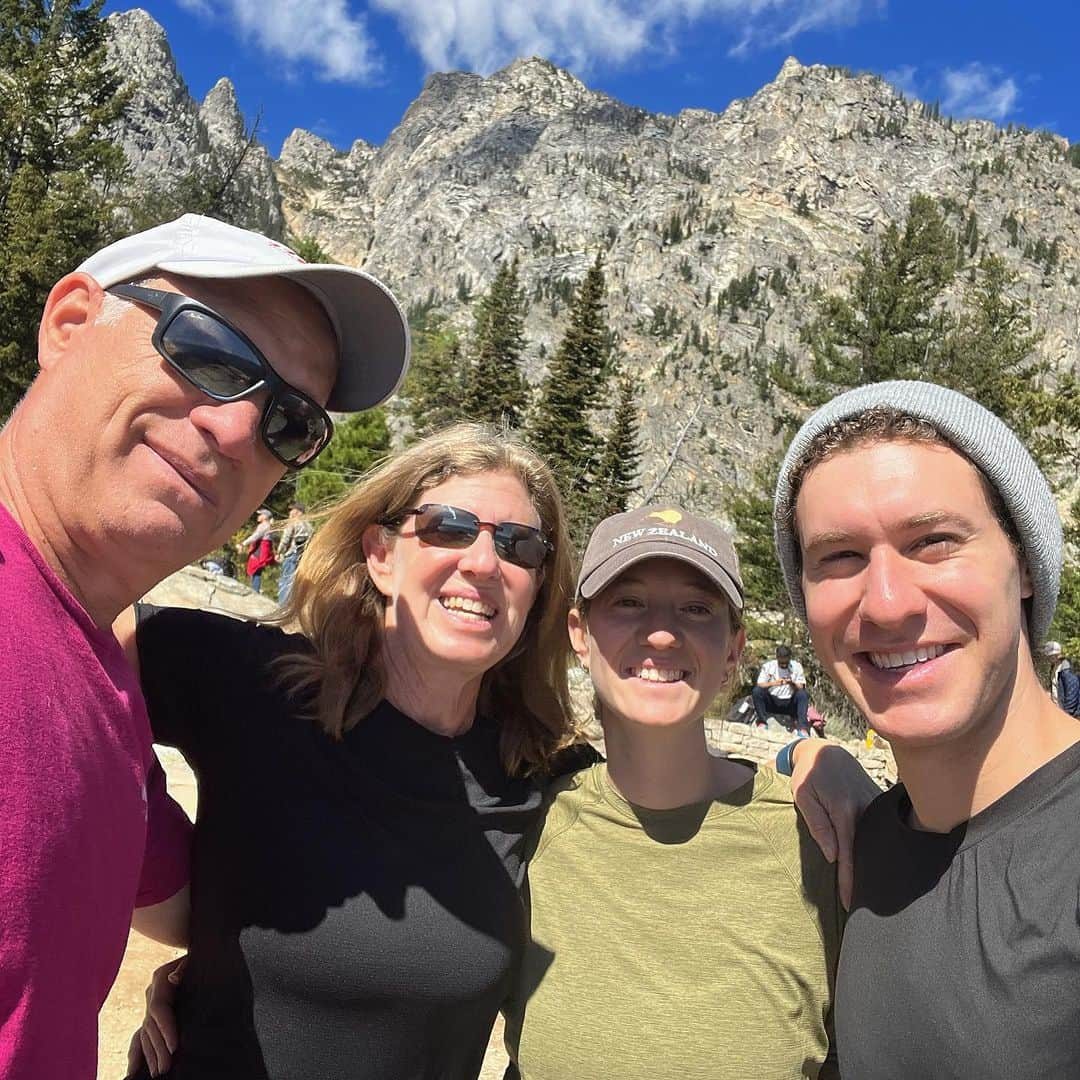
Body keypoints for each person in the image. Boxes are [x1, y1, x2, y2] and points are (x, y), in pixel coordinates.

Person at [0, 211, 408, 1078]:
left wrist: (236, 976)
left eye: (290, 423)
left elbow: (188, 900)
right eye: (211, 355)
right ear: (70, 323)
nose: (234, 429)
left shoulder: (105, 685)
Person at [123, 424, 578, 1080]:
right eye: (448, 526)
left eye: (519, 544)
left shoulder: (539, 775)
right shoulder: (260, 683)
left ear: (537, 589)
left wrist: (789, 764)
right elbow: (77, 635)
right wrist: (157, 876)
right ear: (380, 555)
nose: (483, 561)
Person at [773, 380, 1080, 1078]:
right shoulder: (867, 842)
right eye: (840, 558)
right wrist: (804, 751)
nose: (885, 605)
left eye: (934, 541)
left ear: (1026, 563)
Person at [503, 505, 842, 1079]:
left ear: (734, 649)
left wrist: (817, 754)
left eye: (696, 608)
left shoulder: (820, 835)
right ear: (579, 635)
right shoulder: (524, 824)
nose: (661, 633)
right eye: (628, 602)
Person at [752, 643, 811, 736]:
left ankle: (803, 728)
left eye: (786, 663)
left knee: (803, 695)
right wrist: (773, 683)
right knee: (757, 691)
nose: (783, 665)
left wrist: (792, 683)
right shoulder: (768, 666)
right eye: (781, 663)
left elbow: (801, 687)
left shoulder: (796, 666)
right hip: (773, 701)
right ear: (777, 658)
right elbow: (760, 684)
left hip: (789, 702)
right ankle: (762, 722)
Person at [276, 500, 312, 603]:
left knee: (285, 580)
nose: (290, 512)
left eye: (292, 510)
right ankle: (291, 605)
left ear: (298, 512)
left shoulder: (293, 522)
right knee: (294, 581)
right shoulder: (309, 526)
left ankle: (282, 605)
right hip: (302, 556)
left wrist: (279, 552)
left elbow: (286, 538)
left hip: (291, 554)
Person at [238, 506, 275, 592]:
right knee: (256, 571)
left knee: (256, 571)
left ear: (265, 517)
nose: (258, 516)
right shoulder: (269, 526)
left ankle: (255, 591)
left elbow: (255, 536)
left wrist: (243, 544)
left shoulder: (264, 526)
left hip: (260, 550)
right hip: (262, 550)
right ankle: (255, 590)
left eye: (260, 515)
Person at [1044, 640, 1080, 717]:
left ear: (1055, 655)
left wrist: (1066, 714)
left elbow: (1072, 692)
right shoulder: (1054, 667)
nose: (1047, 659)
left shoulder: (1066, 667)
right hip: (1058, 710)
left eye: (1049, 656)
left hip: (1068, 714)